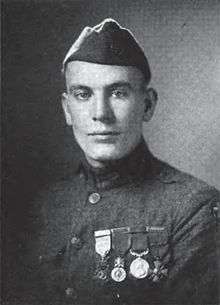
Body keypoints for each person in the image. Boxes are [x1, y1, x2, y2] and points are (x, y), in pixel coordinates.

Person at [24, 18, 219, 305]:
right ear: (67, 110)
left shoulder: (195, 208)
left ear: (147, 105)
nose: (101, 113)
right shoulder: (44, 203)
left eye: (118, 93)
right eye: (83, 94)